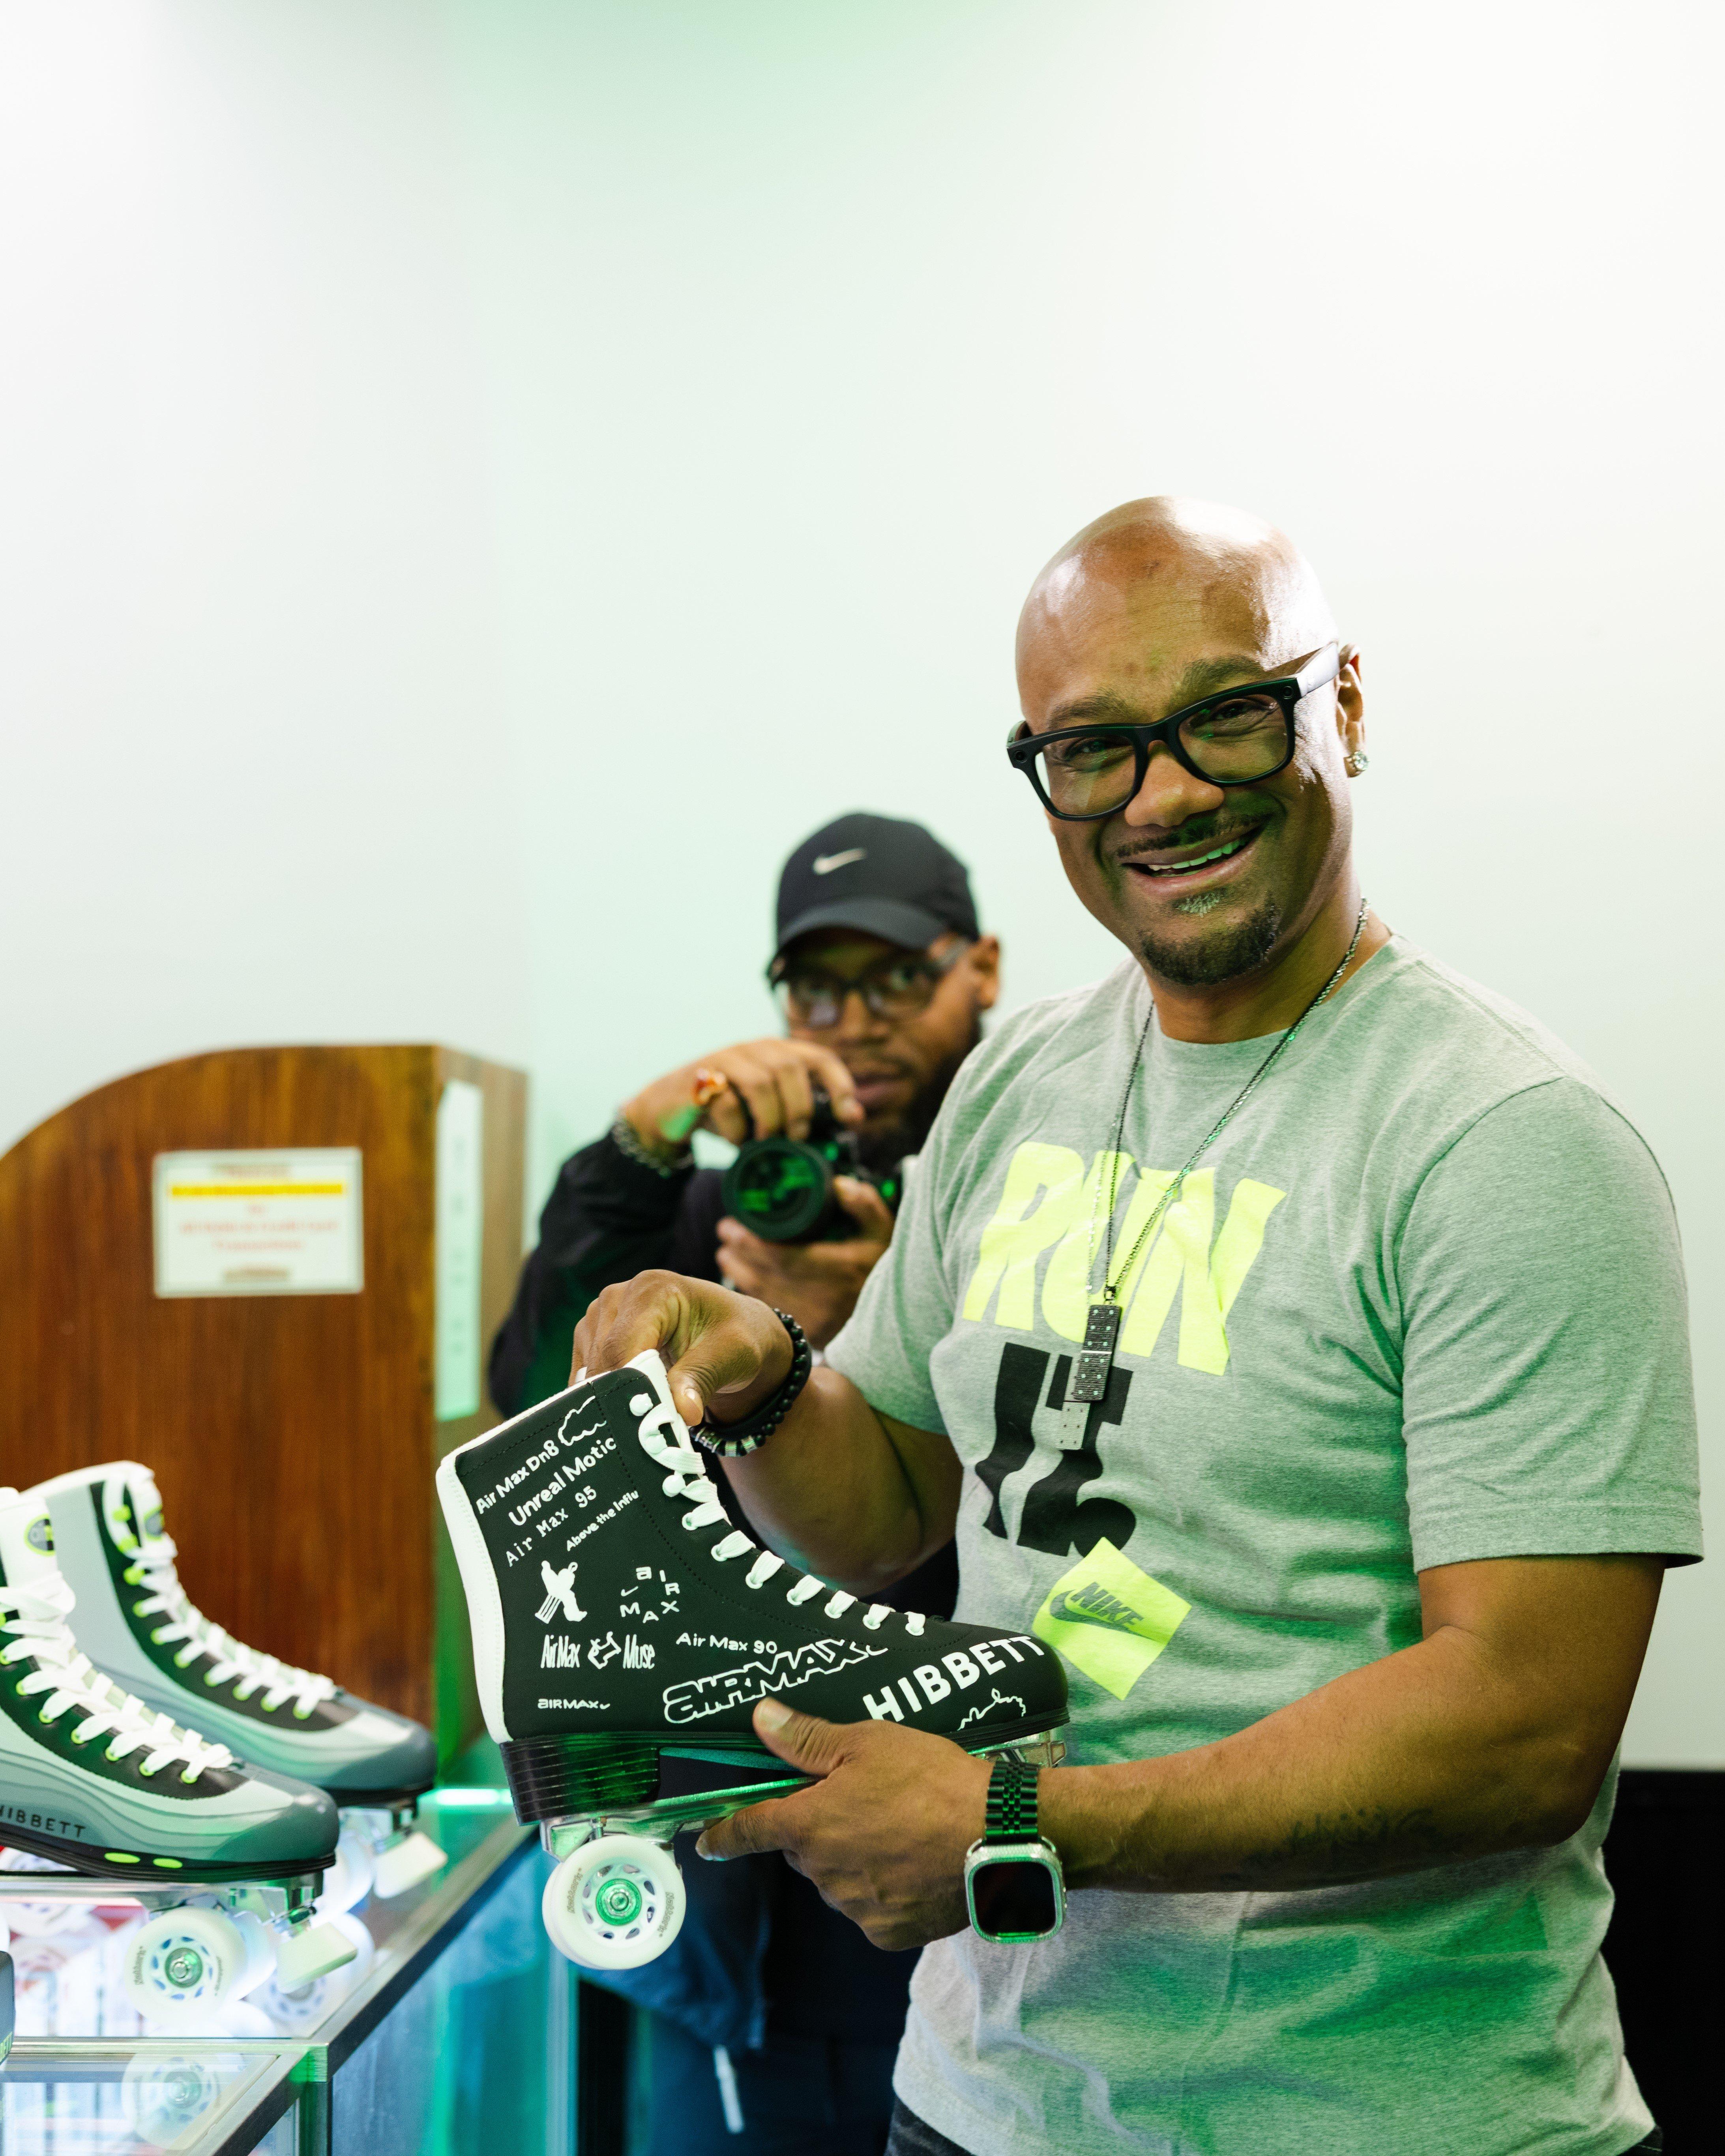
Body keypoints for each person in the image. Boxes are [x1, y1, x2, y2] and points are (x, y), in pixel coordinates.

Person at [570, 497, 1699, 2156]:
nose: (1162, 794)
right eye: (1091, 747)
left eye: (1227, 716)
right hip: (978, 2099)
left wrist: (1024, 1818)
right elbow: (889, 1495)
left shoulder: (1507, 1139)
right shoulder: (1018, 1083)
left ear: (1346, 710)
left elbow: (1524, 1720)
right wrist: (756, 1382)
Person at [490, 810, 1000, 2156]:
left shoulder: (1022, 1188)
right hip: (726, 1876)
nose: (856, 1020)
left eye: (900, 978)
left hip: (961, 1844)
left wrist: (862, 1350)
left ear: (982, 973)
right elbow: (534, 1389)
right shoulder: (717, 1203)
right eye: (817, 987)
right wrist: (647, 1138)